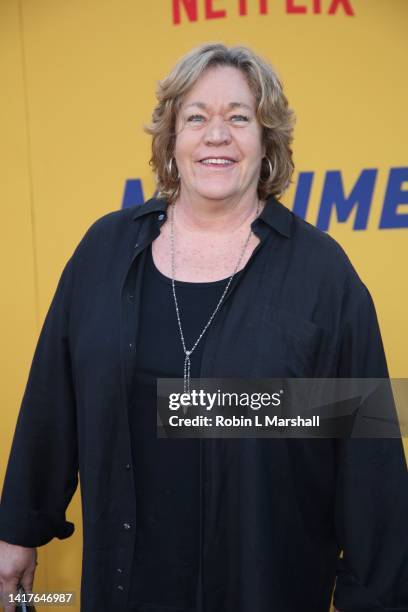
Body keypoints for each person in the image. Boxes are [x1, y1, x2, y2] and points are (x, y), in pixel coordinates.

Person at [0, 42, 407, 612]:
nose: (217, 135)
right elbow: (53, 400)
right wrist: (18, 529)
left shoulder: (323, 276)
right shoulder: (104, 252)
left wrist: (379, 597)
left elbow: (368, 462)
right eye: (196, 117)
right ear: (171, 139)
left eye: (239, 118)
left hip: (266, 585)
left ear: (267, 142)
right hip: (128, 587)